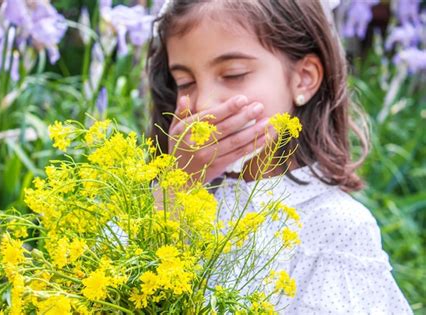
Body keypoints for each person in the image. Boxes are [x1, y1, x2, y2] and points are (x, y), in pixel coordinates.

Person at [145, 0, 413, 314]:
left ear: (304, 79)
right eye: (185, 83)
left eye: (233, 74)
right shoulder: (172, 197)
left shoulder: (336, 224)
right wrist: (176, 184)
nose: (203, 102)